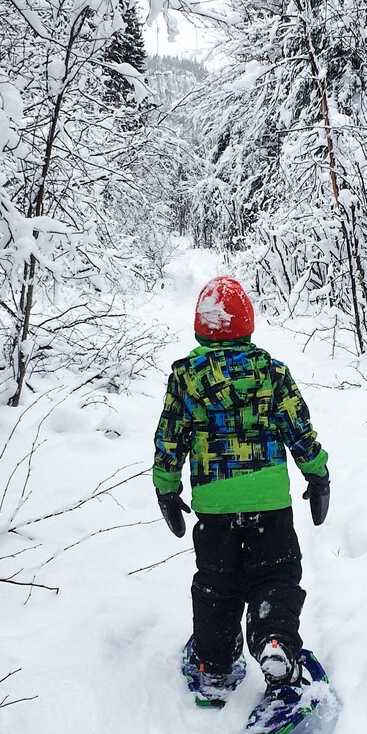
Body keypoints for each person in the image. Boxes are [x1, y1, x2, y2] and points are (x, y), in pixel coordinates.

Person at [152, 275, 330, 701]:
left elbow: (170, 438)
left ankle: (213, 666)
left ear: (200, 328)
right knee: (276, 576)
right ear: (248, 325)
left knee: (217, 586)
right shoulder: (272, 373)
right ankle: (275, 642)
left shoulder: (186, 379)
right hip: (269, 503)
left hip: (214, 509)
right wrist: (317, 473)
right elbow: (298, 428)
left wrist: (166, 486)